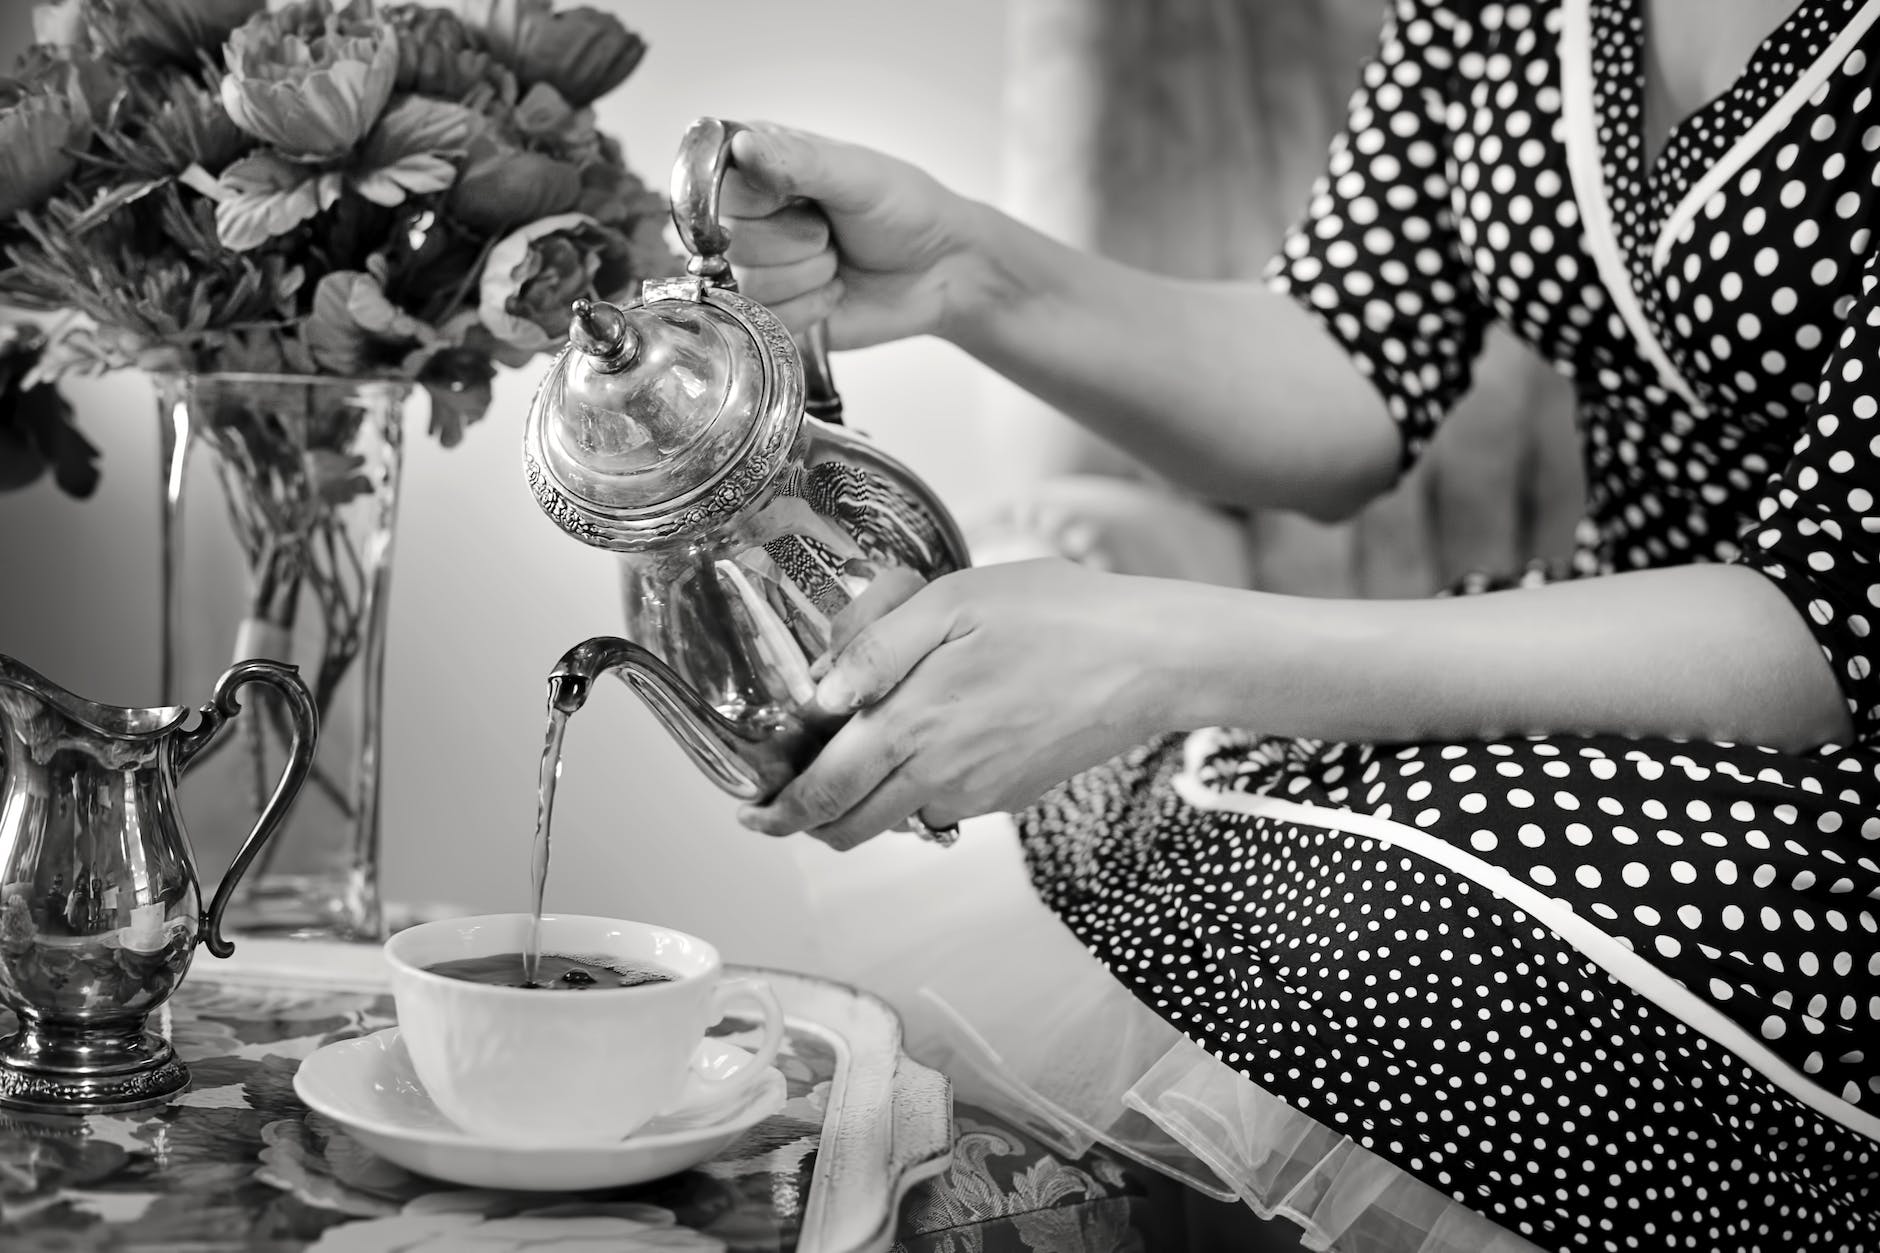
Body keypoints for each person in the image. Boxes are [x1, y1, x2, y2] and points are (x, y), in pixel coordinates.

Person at [722, 0, 1880, 1248]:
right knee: (1113, 809)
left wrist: (1164, 653)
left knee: (1412, 933)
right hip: (1605, 648)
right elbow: (1350, 357)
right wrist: (964, 268)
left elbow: (1823, 623)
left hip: (1811, 731)